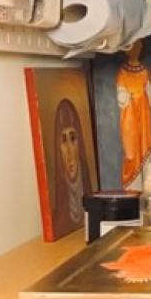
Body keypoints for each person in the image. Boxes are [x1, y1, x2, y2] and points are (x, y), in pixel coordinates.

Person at [115, 39, 151, 193]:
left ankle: (148, 188)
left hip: (144, 116)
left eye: (138, 46)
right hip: (130, 117)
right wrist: (133, 97)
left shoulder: (143, 71)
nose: (135, 49)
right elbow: (121, 98)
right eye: (132, 47)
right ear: (127, 49)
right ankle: (132, 189)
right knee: (131, 152)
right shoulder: (122, 72)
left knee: (146, 153)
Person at [51, 98, 92, 237]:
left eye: (73, 138)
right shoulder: (58, 220)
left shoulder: (92, 209)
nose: (69, 151)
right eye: (63, 141)